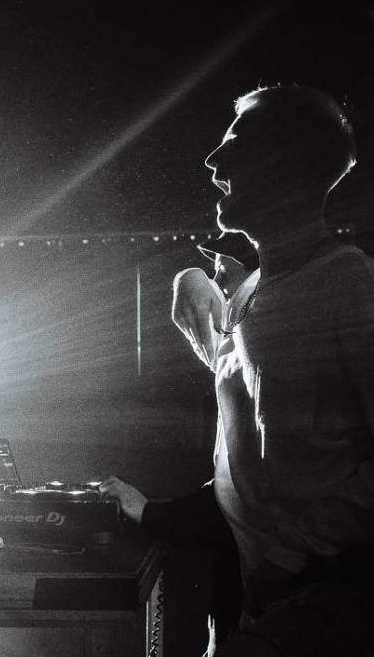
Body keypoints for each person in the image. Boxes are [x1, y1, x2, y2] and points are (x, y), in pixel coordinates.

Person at [200, 85, 374, 657]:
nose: (214, 162)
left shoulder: (356, 287)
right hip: (290, 596)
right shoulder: (253, 295)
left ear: (286, 163)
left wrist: (297, 550)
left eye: (235, 144)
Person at [100, 231, 258, 656]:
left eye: (222, 275)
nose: (215, 287)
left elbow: (245, 492)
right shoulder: (239, 350)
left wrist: (149, 512)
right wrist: (187, 277)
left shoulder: (259, 348)